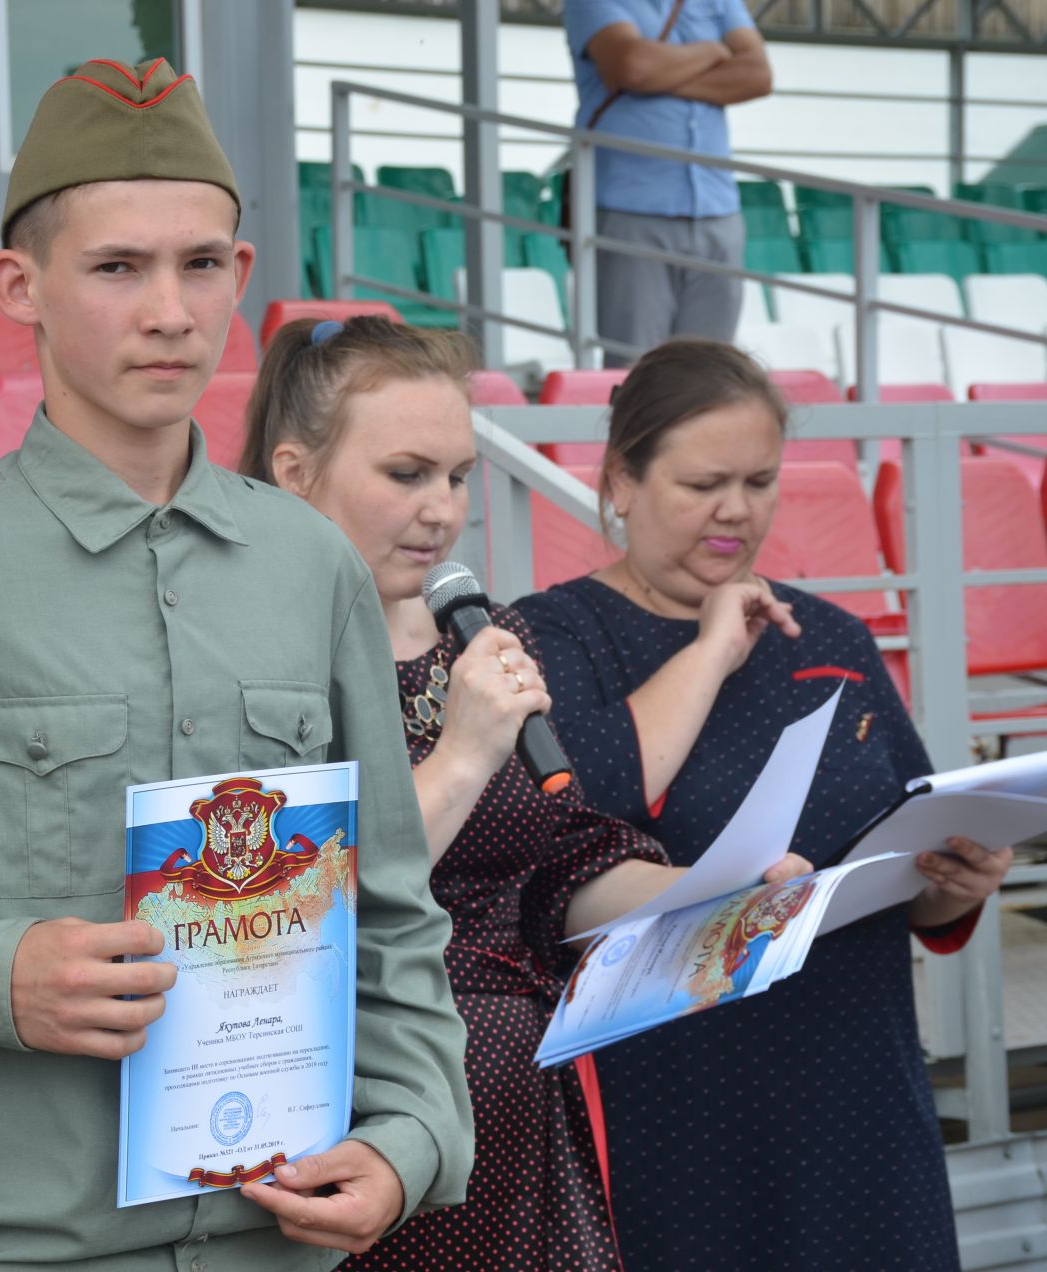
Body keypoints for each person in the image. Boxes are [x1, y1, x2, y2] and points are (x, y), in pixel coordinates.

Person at [0, 59, 471, 1269]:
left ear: (242, 277)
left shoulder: (313, 568)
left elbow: (388, 905)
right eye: (116, 268)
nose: (169, 311)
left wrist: (409, 1138)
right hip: (22, 1244)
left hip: (276, 1236)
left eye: (200, 265)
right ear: (19, 288)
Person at [240, 316, 808, 1270]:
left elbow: (562, 860)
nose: (441, 510)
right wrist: (461, 751)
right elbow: (281, 905)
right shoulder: (251, 660)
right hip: (354, 1111)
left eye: (458, 476)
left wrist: (714, 894)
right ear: (296, 473)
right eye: (405, 474)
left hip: (511, 1109)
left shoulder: (480, 631)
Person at [513, 338, 1013, 1270]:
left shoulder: (830, 634)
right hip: (674, 1096)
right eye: (703, 483)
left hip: (854, 1073)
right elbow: (580, 805)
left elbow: (908, 857)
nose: (735, 512)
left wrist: (958, 880)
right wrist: (709, 648)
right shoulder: (554, 634)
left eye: (759, 482)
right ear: (621, 481)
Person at [561, 0, 773, 365]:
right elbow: (635, 66)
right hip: (629, 209)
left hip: (716, 210)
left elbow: (757, 75)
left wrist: (662, 74)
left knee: (708, 371)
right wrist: (714, 51)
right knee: (634, 368)